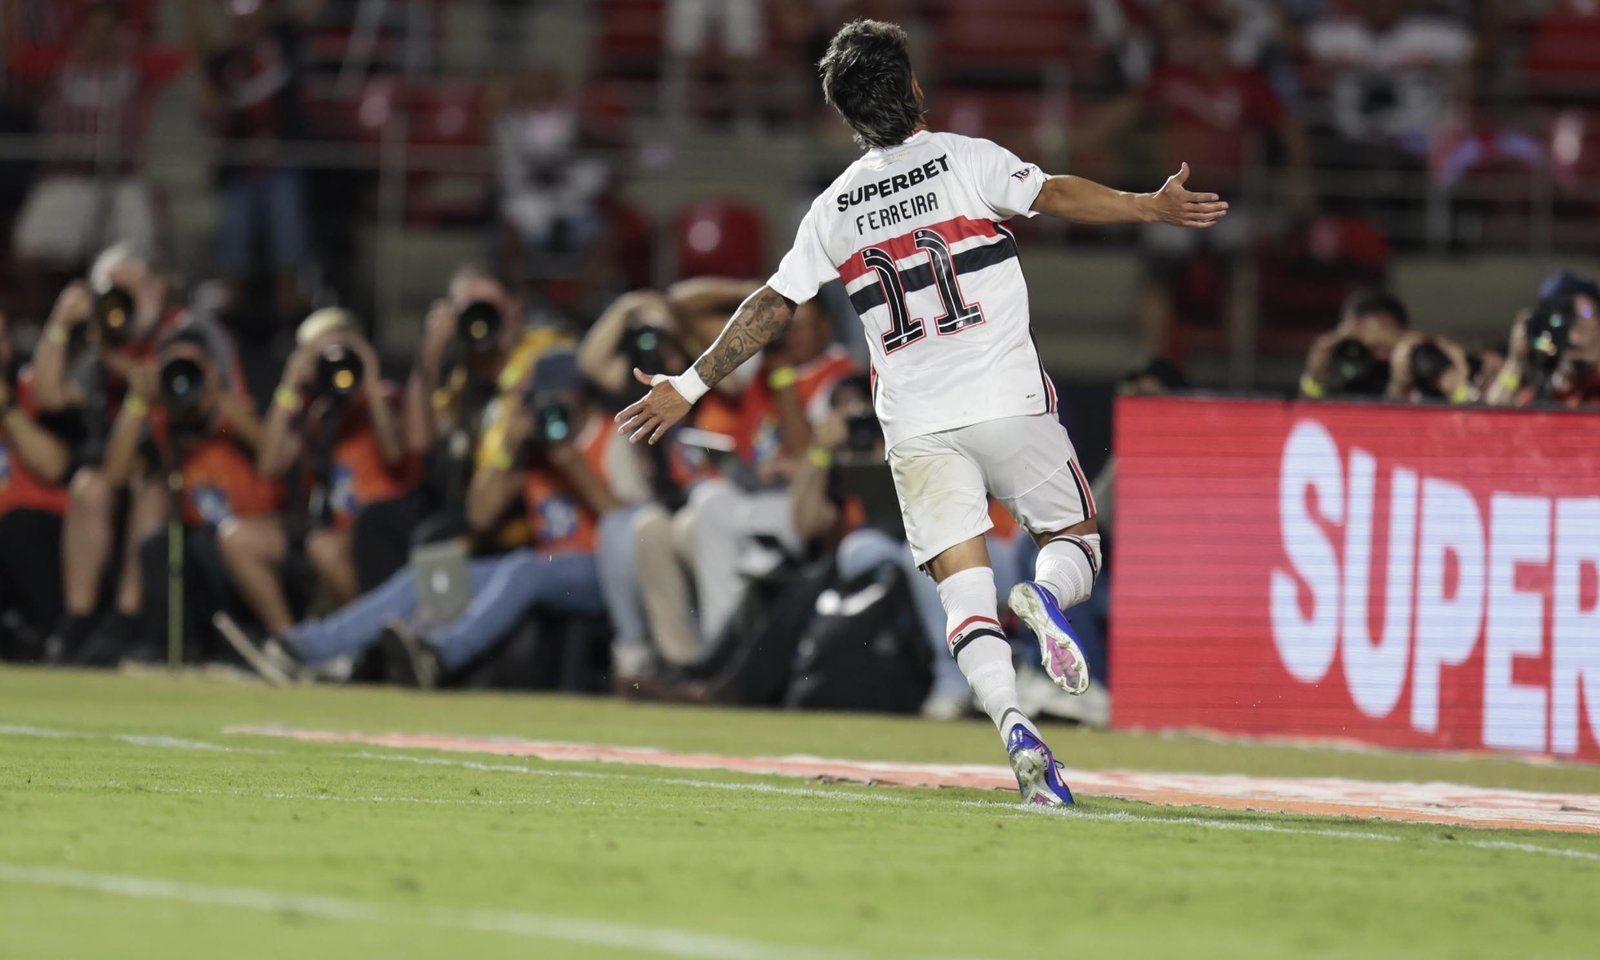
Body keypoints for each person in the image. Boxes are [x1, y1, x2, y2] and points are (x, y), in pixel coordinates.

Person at [615, 19, 1228, 806]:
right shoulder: (966, 159)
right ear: (912, 88)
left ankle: (1016, 730)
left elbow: (772, 304)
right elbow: (1054, 194)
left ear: (847, 115)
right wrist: (1149, 206)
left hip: (915, 424)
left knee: (962, 593)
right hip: (1006, 398)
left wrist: (690, 385)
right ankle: (1044, 598)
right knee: (1075, 541)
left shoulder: (834, 207)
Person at [217, 351, 646, 687]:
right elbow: (479, 517)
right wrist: (509, 452)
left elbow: (625, 529)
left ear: (582, 397)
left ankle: (438, 655)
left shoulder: (612, 436)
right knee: (427, 574)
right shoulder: (532, 446)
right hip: (546, 565)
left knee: (523, 568)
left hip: (603, 571)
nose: (551, 410)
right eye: (543, 401)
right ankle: (302, 648)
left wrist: (571, 463)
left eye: (560, 400)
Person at [214, 308, 411, 645]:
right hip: (323, 530)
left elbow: (395, 452)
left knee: (324, 547)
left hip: (377, 533)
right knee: (237, 537)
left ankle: (378, 644)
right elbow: (269, 464)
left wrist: (369, 378)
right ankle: (293, 645)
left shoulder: (384, 396)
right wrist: (289, 385)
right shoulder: (313, 410)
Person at [104, 323, 273, 662]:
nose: (184, 378)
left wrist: (216, 393)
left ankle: (249, 643)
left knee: (212, 546)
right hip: (193, 543)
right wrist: (137, 399)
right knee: (158, 546)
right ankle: (178, 648)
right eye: (174, 367)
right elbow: (115, 474)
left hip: (244, 538)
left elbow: (269, 453)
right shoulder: (164, 423)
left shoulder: (229, 417)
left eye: (193, 367)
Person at [0, 310, 73, 658]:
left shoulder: (34, 390)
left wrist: (7, 408)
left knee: (18, 525)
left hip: (43, 535)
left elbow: (54, 466)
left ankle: (59, 639)